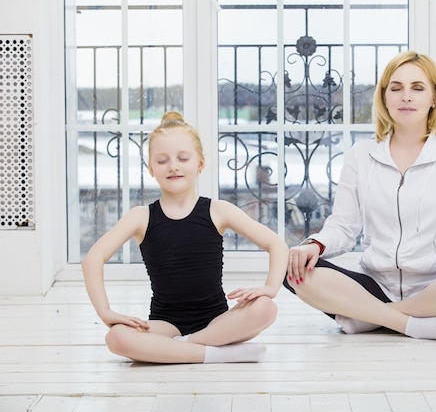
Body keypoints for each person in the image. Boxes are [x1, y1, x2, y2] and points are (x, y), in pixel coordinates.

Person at [283, 51, 436, 342]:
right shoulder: (361, 155)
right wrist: (315, 244)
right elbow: (344, 226)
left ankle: (369, 318)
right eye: (396, 88)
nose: (406, 96)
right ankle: (409, 323)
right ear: (385, 97)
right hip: (375, 283)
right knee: (294, 268)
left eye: (417, 87)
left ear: (434, 97)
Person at [82, 111, 289, 363]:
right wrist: (105, 312)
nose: (173, 166)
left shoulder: (218, 210)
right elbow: (93, 259)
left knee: (266, 307)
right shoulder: (140, 217)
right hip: (165, 324)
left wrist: (270, 287)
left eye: (182, 158)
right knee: (116, 338)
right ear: (151, 169)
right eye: (162, 160)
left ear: (200, 163)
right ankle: (217, 353)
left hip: (217, 320)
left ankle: (181, 347)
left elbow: (276, 243)